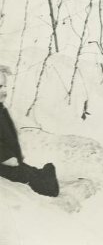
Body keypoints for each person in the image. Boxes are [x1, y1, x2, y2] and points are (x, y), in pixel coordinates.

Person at [0, 66, 59, 197]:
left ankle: (40, 173)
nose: (4, 91)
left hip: (12, 160)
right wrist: (5, 158)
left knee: (29, 171)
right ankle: (45, 181)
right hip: (4, 164)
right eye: (0, 87)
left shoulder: (1, 108)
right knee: (46, 188)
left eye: (5, 86)